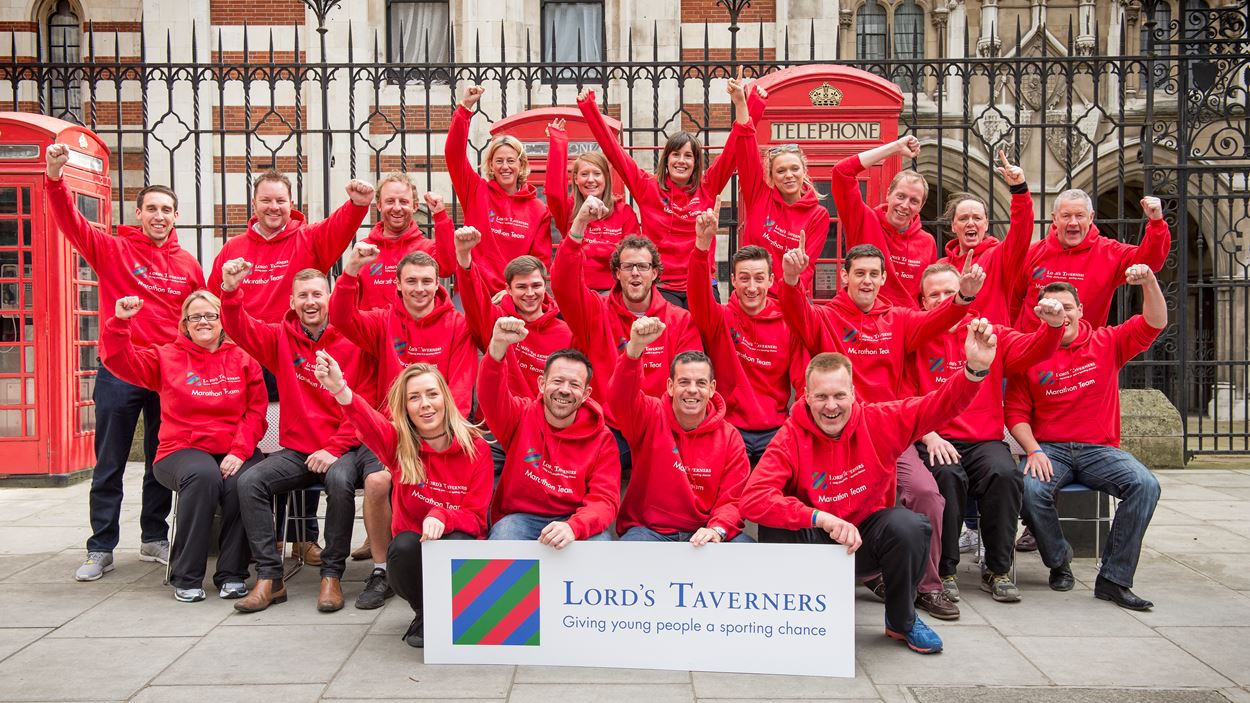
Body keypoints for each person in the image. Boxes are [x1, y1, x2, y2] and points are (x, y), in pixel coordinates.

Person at [740, 321, 999, 655]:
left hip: (863, 544)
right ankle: (791, 617)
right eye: (821, 397)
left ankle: (901, 620)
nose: (830, 406)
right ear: (806, 396)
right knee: (773, 521)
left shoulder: (881, 420)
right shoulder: (791, 436)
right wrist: (819, 517)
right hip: (816, 541)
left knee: (910, 525)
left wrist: (974, 370)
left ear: (853, 394)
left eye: (838, 396)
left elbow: (940, 404)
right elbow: (753, 500)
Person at [780, 240, 984, 621]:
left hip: (885, 432)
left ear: (884, 278)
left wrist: (965, 296)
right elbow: (795, 313)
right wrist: (791, 280)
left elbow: (937, 320)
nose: (868, 281)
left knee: (926, 494)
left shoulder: (901, 319)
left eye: (875, 274)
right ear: (845, 277)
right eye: (860, 273)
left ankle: (927, 586)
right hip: (835, 430)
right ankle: (863, 572)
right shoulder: (825, 317)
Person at [45, 143, 206, 581]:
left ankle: (154, 536)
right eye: (152, 208)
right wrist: (55, 178)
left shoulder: (188, 264)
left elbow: (200, 317)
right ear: (138, 213)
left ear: (175, 216)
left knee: (160, 458)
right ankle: (100, 547)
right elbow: (71, 224)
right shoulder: (113, 249)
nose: (159, 216)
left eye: (167, 210)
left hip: (167, 374)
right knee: (110, 461)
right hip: (120, 370)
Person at [207, 170, 374, 566]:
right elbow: (218, 302)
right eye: (266, 200)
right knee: (266, 451)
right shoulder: (233, 248)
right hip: (255, 352)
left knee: (308, 434)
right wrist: (229, 294)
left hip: (300, 348)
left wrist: (357, 205)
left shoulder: (307, 239)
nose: (274, 208)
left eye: (280, 200)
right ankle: (265, 536)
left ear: (290, 203)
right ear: (254, 204)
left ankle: (303, 536)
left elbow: (337, 231)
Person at [220, 263, 384, 613]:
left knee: (340, 482)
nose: (311, 302)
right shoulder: (279, 337)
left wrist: (334, 448)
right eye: (303, 296)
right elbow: (239, 327)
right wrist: (231, 292)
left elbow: (364, 402)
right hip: (298, 450)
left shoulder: (354, 336)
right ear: (292, 302)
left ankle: (331, 575)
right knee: (249, 482)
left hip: (344, 448)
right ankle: (270, 577)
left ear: (330, 297)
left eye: (317, 295)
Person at [1007, 267, 1166, 610]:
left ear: (1080, 310)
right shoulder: (1031, 353)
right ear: (1041, 313)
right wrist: (1033, 451)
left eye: (1068, 307)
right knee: (1030, 490)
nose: (1061, 314)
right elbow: (1015, 415)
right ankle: (1058, 559)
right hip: (1050, 449)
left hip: (1100, 450)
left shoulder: (1108, 341)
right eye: (1052, 308)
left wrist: (1150, 283)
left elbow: (1154, 322)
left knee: (1145, 485)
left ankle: (1114, 579)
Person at [909, 264, 1067, 603]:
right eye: (933, 295)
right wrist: (928, 434)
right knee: (946, 475)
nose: (942, 300)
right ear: (922, 302)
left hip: (983, 439)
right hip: (934, 437)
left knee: (1006, 475)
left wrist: (1054, 326)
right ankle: (946, 569)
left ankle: (997, 569)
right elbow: (905, 395)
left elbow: (1034, 350)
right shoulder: (916, 337)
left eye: (949, 293)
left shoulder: (987, 332)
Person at [315, 353, 492, 648]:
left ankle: (458, 611)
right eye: (414, 398)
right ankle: (425, 612)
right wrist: (339, 389)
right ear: (406, 407)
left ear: (445, 399)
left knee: (457, 536)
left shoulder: (476, 449)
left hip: (460, 547)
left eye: (432, 394)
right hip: (415, 553)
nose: (425, 404)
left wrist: (441, 515)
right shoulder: (399, 445)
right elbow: (367, 420)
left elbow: (475, 517)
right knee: (405, 544)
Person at [100, 293, 265, 602]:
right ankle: (186, 575)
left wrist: (239, 451)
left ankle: (232, 573)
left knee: (243, 482)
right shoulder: (165, 356)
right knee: (204, 477)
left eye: (210, 315)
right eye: (195, 317)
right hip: (181, 449)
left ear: (221, 320)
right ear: (185, 325)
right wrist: (120, 322)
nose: (203, 322)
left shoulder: (243, 358)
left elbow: (255, 413)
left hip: (233, 447)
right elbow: (120, 361)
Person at [576, 69, 758, 307]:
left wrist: (745, 104)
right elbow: (614, 152)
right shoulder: (647, 187)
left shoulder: (709, 185)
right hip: (662, 287)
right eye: (675, 155)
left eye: (688, 156)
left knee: (706, 343)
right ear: (666, 159)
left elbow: (736, 147)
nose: (681, 161)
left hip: (702, 284)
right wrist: (589, 109)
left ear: (695, 163)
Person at [553, 199, 703, 471]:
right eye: (628, 267)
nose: (635, 273)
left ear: (655, 273)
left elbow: (688, 381)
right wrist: (579, 225)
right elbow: (563, 284)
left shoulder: (679, 320)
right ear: (617, 273)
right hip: (608, 428)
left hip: (658, 427)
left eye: (643, 267)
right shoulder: (595, 312)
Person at [610, 317, 751, 543]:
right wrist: (634, 350)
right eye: (684, 382)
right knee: (632, 547)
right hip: (650, 531)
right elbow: (620, 398)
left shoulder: (729, 437)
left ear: (712, 388)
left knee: (745, 548)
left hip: (704, 533)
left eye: (701, 383)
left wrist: (718, 529)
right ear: (670, 386)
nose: (692, 390)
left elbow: (733, 500)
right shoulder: (649, 415)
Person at [481, 318, 620, 545]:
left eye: (574, 385)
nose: (564, 390)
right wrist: (497, 347)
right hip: (520, 519)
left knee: (600, 545)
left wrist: (573, 526)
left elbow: (605, 500)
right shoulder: (520, 416)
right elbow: (490, 396)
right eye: (557, 381)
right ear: (542, 384)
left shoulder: (602, 439)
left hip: (574, 519)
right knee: (505, 536)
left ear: (586, 394)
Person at [688, 211, 803, 464]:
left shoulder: (787, 323)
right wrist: (701, 246)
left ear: (771, 281)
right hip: (729, 428)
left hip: (775, 430)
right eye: (744, 278)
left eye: (759, 278)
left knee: (771, 494)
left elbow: (803, 380)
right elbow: (697, 295)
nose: (751, 287)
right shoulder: (720, 319)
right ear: (733, 281)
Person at [330, 246, 476, 416]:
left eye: (426, 281)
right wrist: (351, 270)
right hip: (394, 426)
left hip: (439, 426)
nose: (420, 289)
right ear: (398, 284)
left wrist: (441, 435)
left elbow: (460, 391)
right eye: (411, 281)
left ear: (437, 284)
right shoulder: (382, 322)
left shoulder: (459, 325)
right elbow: (341, 318)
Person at [446, 85, 553, 293]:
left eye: (511, 161)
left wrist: (513, 291)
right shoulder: (476, 191)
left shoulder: (539, 210)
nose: (505, 166)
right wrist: (465, 108)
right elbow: (453, 155)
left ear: (521, 165)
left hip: (515, 296)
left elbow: (539, 262)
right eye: (499, 161)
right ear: (491, 165)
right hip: (474, 290)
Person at [1013, 194, 1172, 330]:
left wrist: (1156, 223)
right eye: (1066, 216)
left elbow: (1149, 263)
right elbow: (1011, 300)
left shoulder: (1109, 253)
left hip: (1081, 354)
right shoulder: (1032, 254)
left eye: (1080, 215)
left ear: (1091, 217)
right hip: (1033, 354)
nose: (1073, 222)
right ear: (1055, 218)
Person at [729, 84, 828, 297]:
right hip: (750, 294)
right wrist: (741, 103)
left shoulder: (818, 215)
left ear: (804, 172)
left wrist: (785, 300)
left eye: (794, 169)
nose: (789, 175)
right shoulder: (759, 196)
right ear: (772, 176)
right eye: (781, 171)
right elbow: (746, 148)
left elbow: (807, 269)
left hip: (788, 299)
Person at [454, 225, 572, 398]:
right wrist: (464, 256)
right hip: (499, 418)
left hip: (544, 420)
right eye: (521, 287)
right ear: (508, 289)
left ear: (545, 285)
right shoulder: (497, 320)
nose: (530, 293)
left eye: (536, 285)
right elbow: (474, 298)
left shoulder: (566, 333)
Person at [831, 135, 934, 308]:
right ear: (888, 194)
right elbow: (841, 172)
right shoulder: (864, 220)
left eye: (914, 201)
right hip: (866, 322)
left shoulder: (927, 242)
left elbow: (928, 294)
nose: (905, 205)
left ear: (921, 206)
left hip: (907, 327)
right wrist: (895, 148)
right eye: (900, 196)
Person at [934, 151, 1033, 326]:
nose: (971, 223)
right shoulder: (941, 266)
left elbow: (1021, 231)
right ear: (953, 225)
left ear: (986, 225)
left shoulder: (999, 257)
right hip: (950, 348)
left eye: (977, 218)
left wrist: (1019, 190)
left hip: (989, 345)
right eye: (964, 218)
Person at [545, 118, 640, 292]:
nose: (590, 180)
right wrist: (558, 141)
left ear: (606, 178)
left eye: (597, 173)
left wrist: (587, 249)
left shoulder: (623, 212)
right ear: (575, 179)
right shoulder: (569, 209)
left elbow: (633, 253)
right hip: (578, 291)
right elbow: (552, 191)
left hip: (615, 293)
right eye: (584, 174)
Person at [354, 173, 440, 311]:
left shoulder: (427, 248)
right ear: (379, 205)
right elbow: (349, 304)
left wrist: (440, 215)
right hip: (373, 332)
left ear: (415, 206)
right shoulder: (365, 249)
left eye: (404, 202)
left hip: (415, 331)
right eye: (390, 201)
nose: (397, 208)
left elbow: (448, 268)